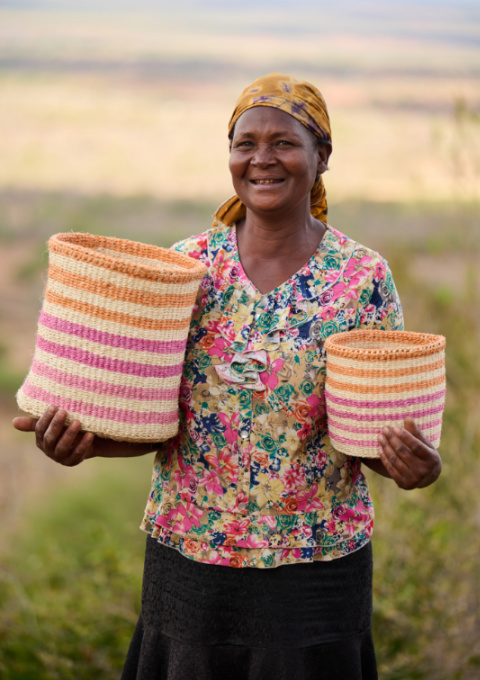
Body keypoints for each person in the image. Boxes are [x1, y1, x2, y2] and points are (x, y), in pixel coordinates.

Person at [13, 73, 442, 680]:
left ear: (322, 156)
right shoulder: (185, 269)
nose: (262, 158)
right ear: (231, 156)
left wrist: (416, 466)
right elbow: (153, 423)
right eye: (245, 143)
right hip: (191, 559)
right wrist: (80, 445)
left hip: (315, 567)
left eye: (284, 142)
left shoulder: (362, 277)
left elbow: (376, 438)